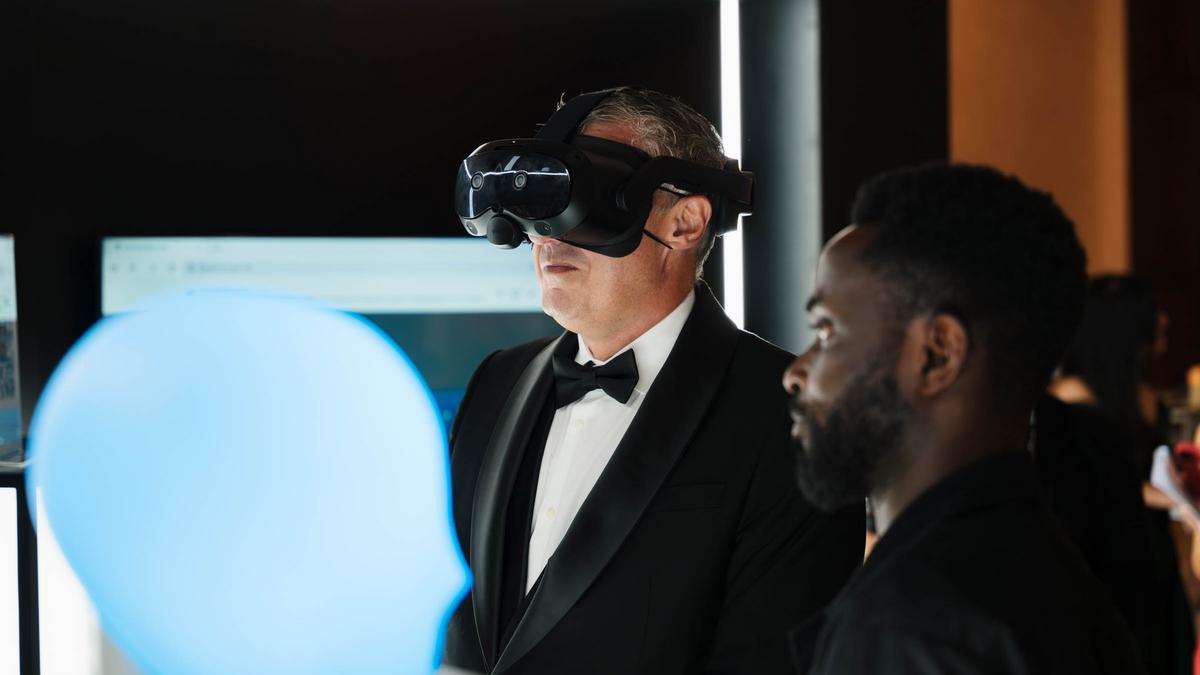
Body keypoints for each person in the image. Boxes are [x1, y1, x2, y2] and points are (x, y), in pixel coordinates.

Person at [443, 87, 864, 675]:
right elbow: (467, 627)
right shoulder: (496, 384)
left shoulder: (788, 417)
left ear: (685, 221)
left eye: (584, 199)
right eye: (540, 201)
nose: (546, 235)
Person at [783, 164, 1143, 674]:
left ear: (937, 354)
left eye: (825, 332)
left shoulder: (911, 624)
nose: (795, 374)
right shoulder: (1054, 579)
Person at [1050, 275, 1195, 674]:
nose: (1163, 320)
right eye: (1152, 312)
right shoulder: (1068, 405)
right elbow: (1092, 489)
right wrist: (1167, 496)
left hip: (1152, 554)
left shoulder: (1142, 394)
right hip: (1106, 560)